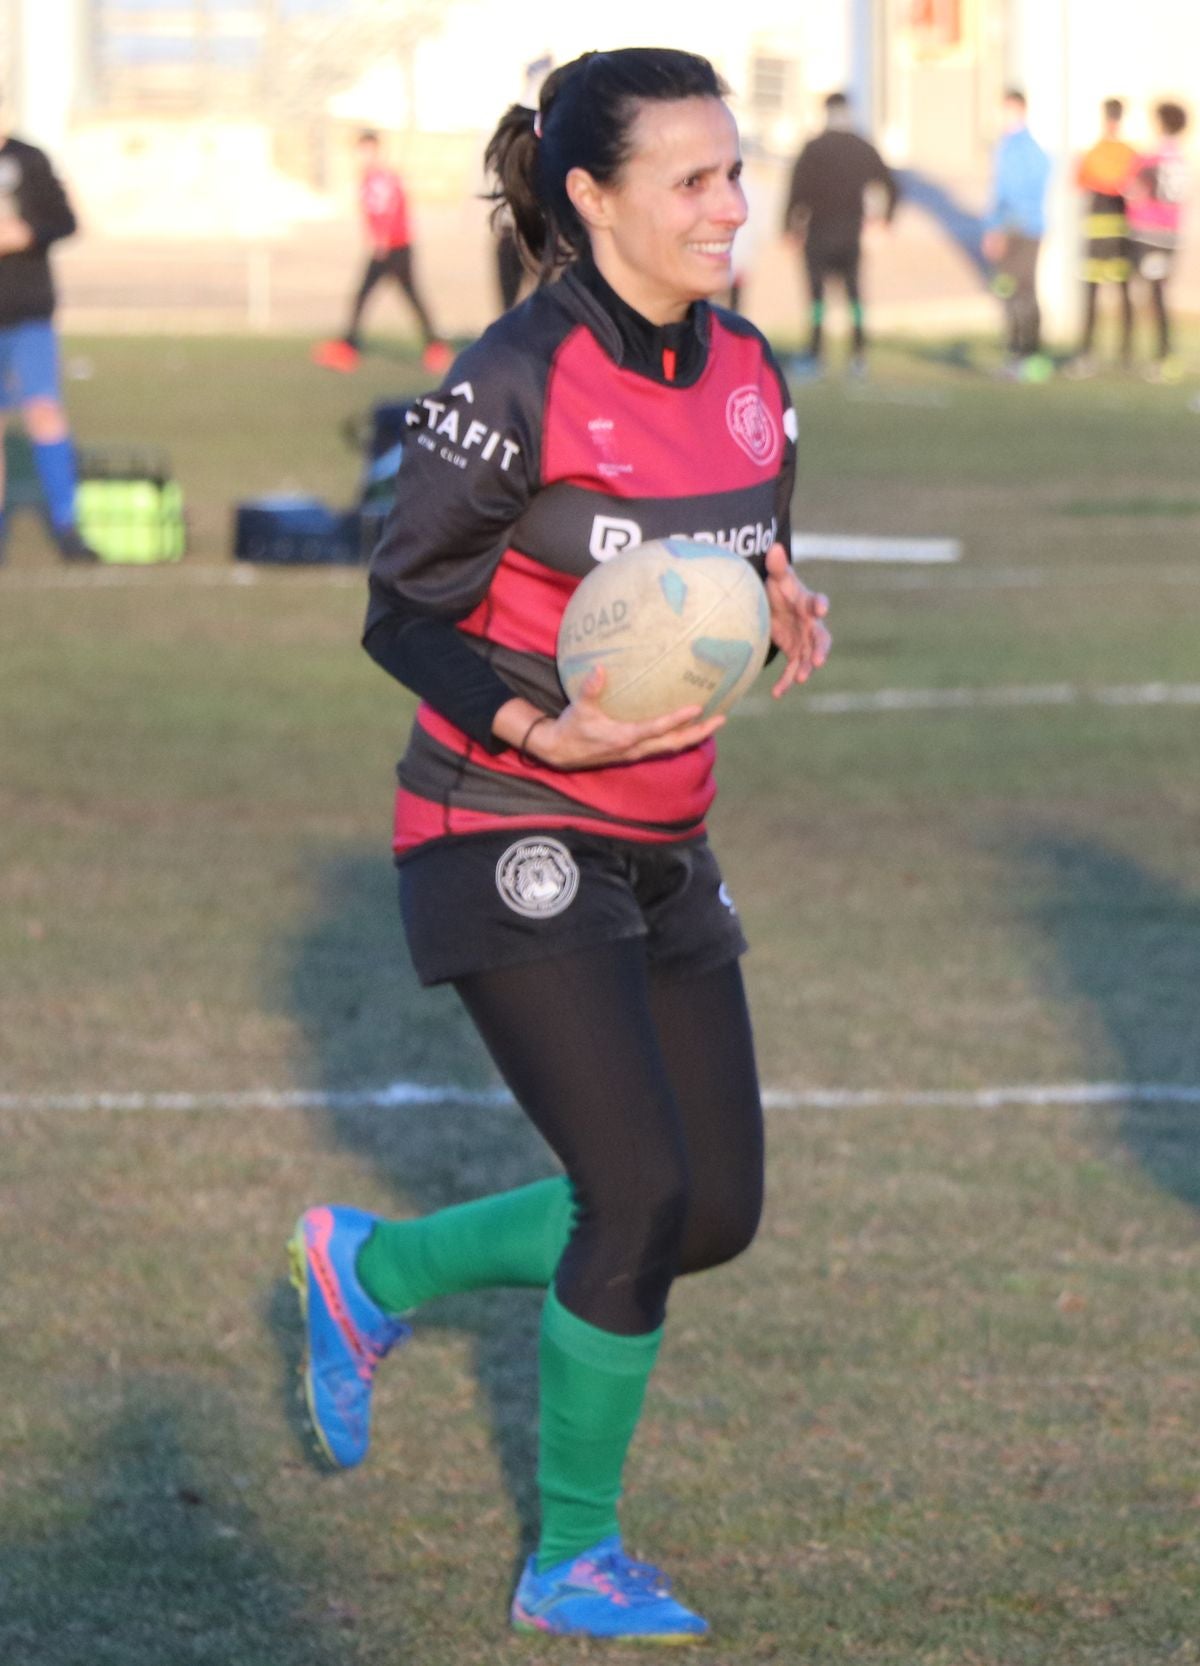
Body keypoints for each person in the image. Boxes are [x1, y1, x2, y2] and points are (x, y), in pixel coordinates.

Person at [289, 46, 830, 1645]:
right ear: (589, 199)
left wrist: (777, 604)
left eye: (736, 171)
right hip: (502, 815)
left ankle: (372, 1272)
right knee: (638, 1185)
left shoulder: (747, 364)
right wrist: (539, 731)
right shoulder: (512, 376)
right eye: (692, 178)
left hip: (668, 835)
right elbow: (403, 610)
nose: (731, 203)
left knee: (709, 1205)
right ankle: (573, 1558)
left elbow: (739, 547)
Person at [0, 110, 98, 561]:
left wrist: (28, 235)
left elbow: (66, 221)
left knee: (43, 410)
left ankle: (68, 525)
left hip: (28, 311)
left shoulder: (30, 159)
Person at [312, 130, 451, 376]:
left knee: (405, 296)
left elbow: (394, 208)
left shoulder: (383, 179)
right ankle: (349, 345)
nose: (360, 156)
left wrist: (383, 238)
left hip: (394, 248)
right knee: (365, 295)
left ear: (375, 150)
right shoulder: (367, 178)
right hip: (384, 247)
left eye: (364, 151)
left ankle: (435, 347)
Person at [781, 90, 899, 378]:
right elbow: (891, 186)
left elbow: (796, 193)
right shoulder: (862, 147)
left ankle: (815, 353)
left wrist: (789, 227)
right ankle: (858, 354)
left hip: (819, 233)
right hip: (849, 233)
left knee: (818, 296)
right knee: (853, 295)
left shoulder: (813, 148)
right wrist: (883, 220)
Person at [982, 90, 1052, 378]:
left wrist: (996, 228)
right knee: (1020, 290)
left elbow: (1006, 193)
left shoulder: (1017, 148)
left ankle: (1023, 354)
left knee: (1014, 291)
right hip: (1028, 227)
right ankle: (1025, 354)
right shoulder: (1025, 147)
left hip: (1017, 228)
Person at [1066, 98, 1138, 377]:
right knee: (1121, 292)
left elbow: (1079, 185)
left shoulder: (1093, 154)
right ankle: (1124, 353)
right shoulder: (1129, 153)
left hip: (1100, 233)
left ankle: (1090, 353)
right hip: (1118, 233)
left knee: (1095, 294)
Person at [1124, 100, 1189, 382]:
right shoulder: (1181, 159)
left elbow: (1132, 190)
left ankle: (1161, 354)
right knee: (1158, 292)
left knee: (1152, 294)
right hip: (1171, 235)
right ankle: (1161, 354)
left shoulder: (1151, 158)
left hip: (1149, 233)